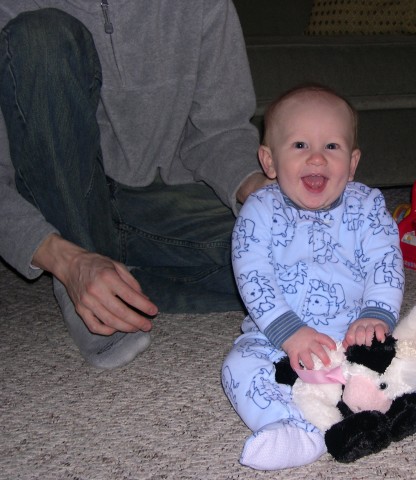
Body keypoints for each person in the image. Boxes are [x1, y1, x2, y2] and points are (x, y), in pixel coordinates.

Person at [222, 85, 416, 470]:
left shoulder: (366, 206)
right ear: (269, 160)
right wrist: (290, 333)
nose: (317, 157)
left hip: (357, 334)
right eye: (299, 145)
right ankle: (295, 428)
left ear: (351, 162)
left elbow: (385, 263)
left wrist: (377, 315)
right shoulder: (259, 210)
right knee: (239, 366)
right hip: (278, 338)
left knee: (411, 363)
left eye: (332, 146)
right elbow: (253, 276)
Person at [0, 1, 270, 369]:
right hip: (60, 206)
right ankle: (82, 263)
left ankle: (116, 278)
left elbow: (221, 130)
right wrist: (62, 257)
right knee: (39, 37)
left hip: (158, 202)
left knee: (308, 251)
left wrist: (254, 189)